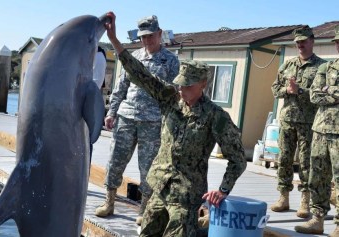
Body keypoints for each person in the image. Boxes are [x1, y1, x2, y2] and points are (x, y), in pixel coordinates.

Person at [104, 12, 247, 236]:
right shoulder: (170, 100)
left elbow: (237, 159)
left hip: (186, 195)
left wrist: (223, 190)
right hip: (160, 187)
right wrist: (114, 40)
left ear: (203, 84)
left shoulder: (215, 116)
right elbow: (141, 74)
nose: (181, 90)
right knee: (147, 231)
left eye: (188, 86)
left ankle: (201, 224)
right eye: (180, 84)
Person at [95, 14, 179, 226]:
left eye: (151, 36)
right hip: (127, 117)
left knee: (149, 168)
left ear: (159, 34)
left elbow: (175, 93)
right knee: (115, 161)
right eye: (143, 37)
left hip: (153, 121)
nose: (147, 41)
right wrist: (112, 112)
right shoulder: (133, 57)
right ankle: (109, 202)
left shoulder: (170, 61)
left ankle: (145, 209)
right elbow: (121, 86)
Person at [270, 25, 326, 218]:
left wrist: (300, 91)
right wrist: (287, 90)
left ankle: (305, 201)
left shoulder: (322, 67)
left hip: (309, 123)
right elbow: (275, 88)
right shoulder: (287, 65)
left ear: (312, 41)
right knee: (284, 159)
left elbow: (322, 95)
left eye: (303, 41)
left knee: (306, 163)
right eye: (297, 42)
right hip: (287, 119)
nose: (300, 45)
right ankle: (283, 197)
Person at [295, 25, 339, 236]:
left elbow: (322, 93)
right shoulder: (327, 68)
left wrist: (328, 90)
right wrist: (334, 92)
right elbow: (314, 96)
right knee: (317, 176)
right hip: (320, 129)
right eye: (337, 42)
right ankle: (317, 219)